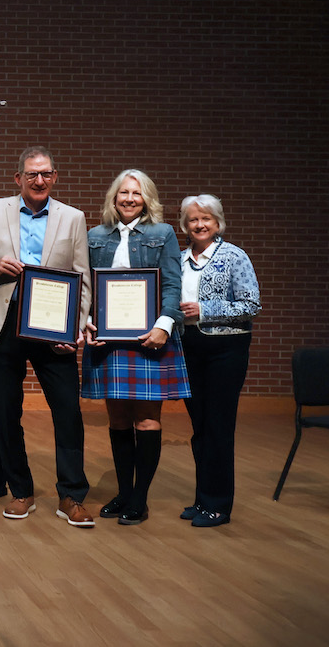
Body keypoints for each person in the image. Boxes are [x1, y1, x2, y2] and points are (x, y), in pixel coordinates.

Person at [0, 146, 95, 527]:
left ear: (55, 177)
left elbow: (82, 276)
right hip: (2, 322)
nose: (40, 180)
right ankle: (20, 490)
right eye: (32, 174)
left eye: (46, 174)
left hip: (53, 327)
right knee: (7, 412)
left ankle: (71, 495)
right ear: (18, 178)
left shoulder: (73, 218)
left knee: (67, 411)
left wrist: (76, 327)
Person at [82, 170, 190, 525]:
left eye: (137, 193)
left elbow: (173, 284)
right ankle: (124, 493)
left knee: (146, 420)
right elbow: (87, 287)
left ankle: (139, 499)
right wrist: (86, 319)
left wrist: (164, 325)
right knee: (117, 419)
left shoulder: (163, 234)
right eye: (123, 193)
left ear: (147, 199)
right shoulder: (95, 236)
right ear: (114, 198)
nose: (129, 199)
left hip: (151, 339)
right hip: (109, 341)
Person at [178, 194, 260, 528]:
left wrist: (205, 310)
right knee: (199, 429)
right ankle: (202, 499)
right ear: (184, 225)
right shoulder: (180, 258)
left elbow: (251, 304)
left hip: (226, 349)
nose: (199, 225)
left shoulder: (234, 256)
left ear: (218, 223)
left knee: (219, 428)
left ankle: (218, 505)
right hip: (188, 348)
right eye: (193, 220)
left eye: (205, 219)